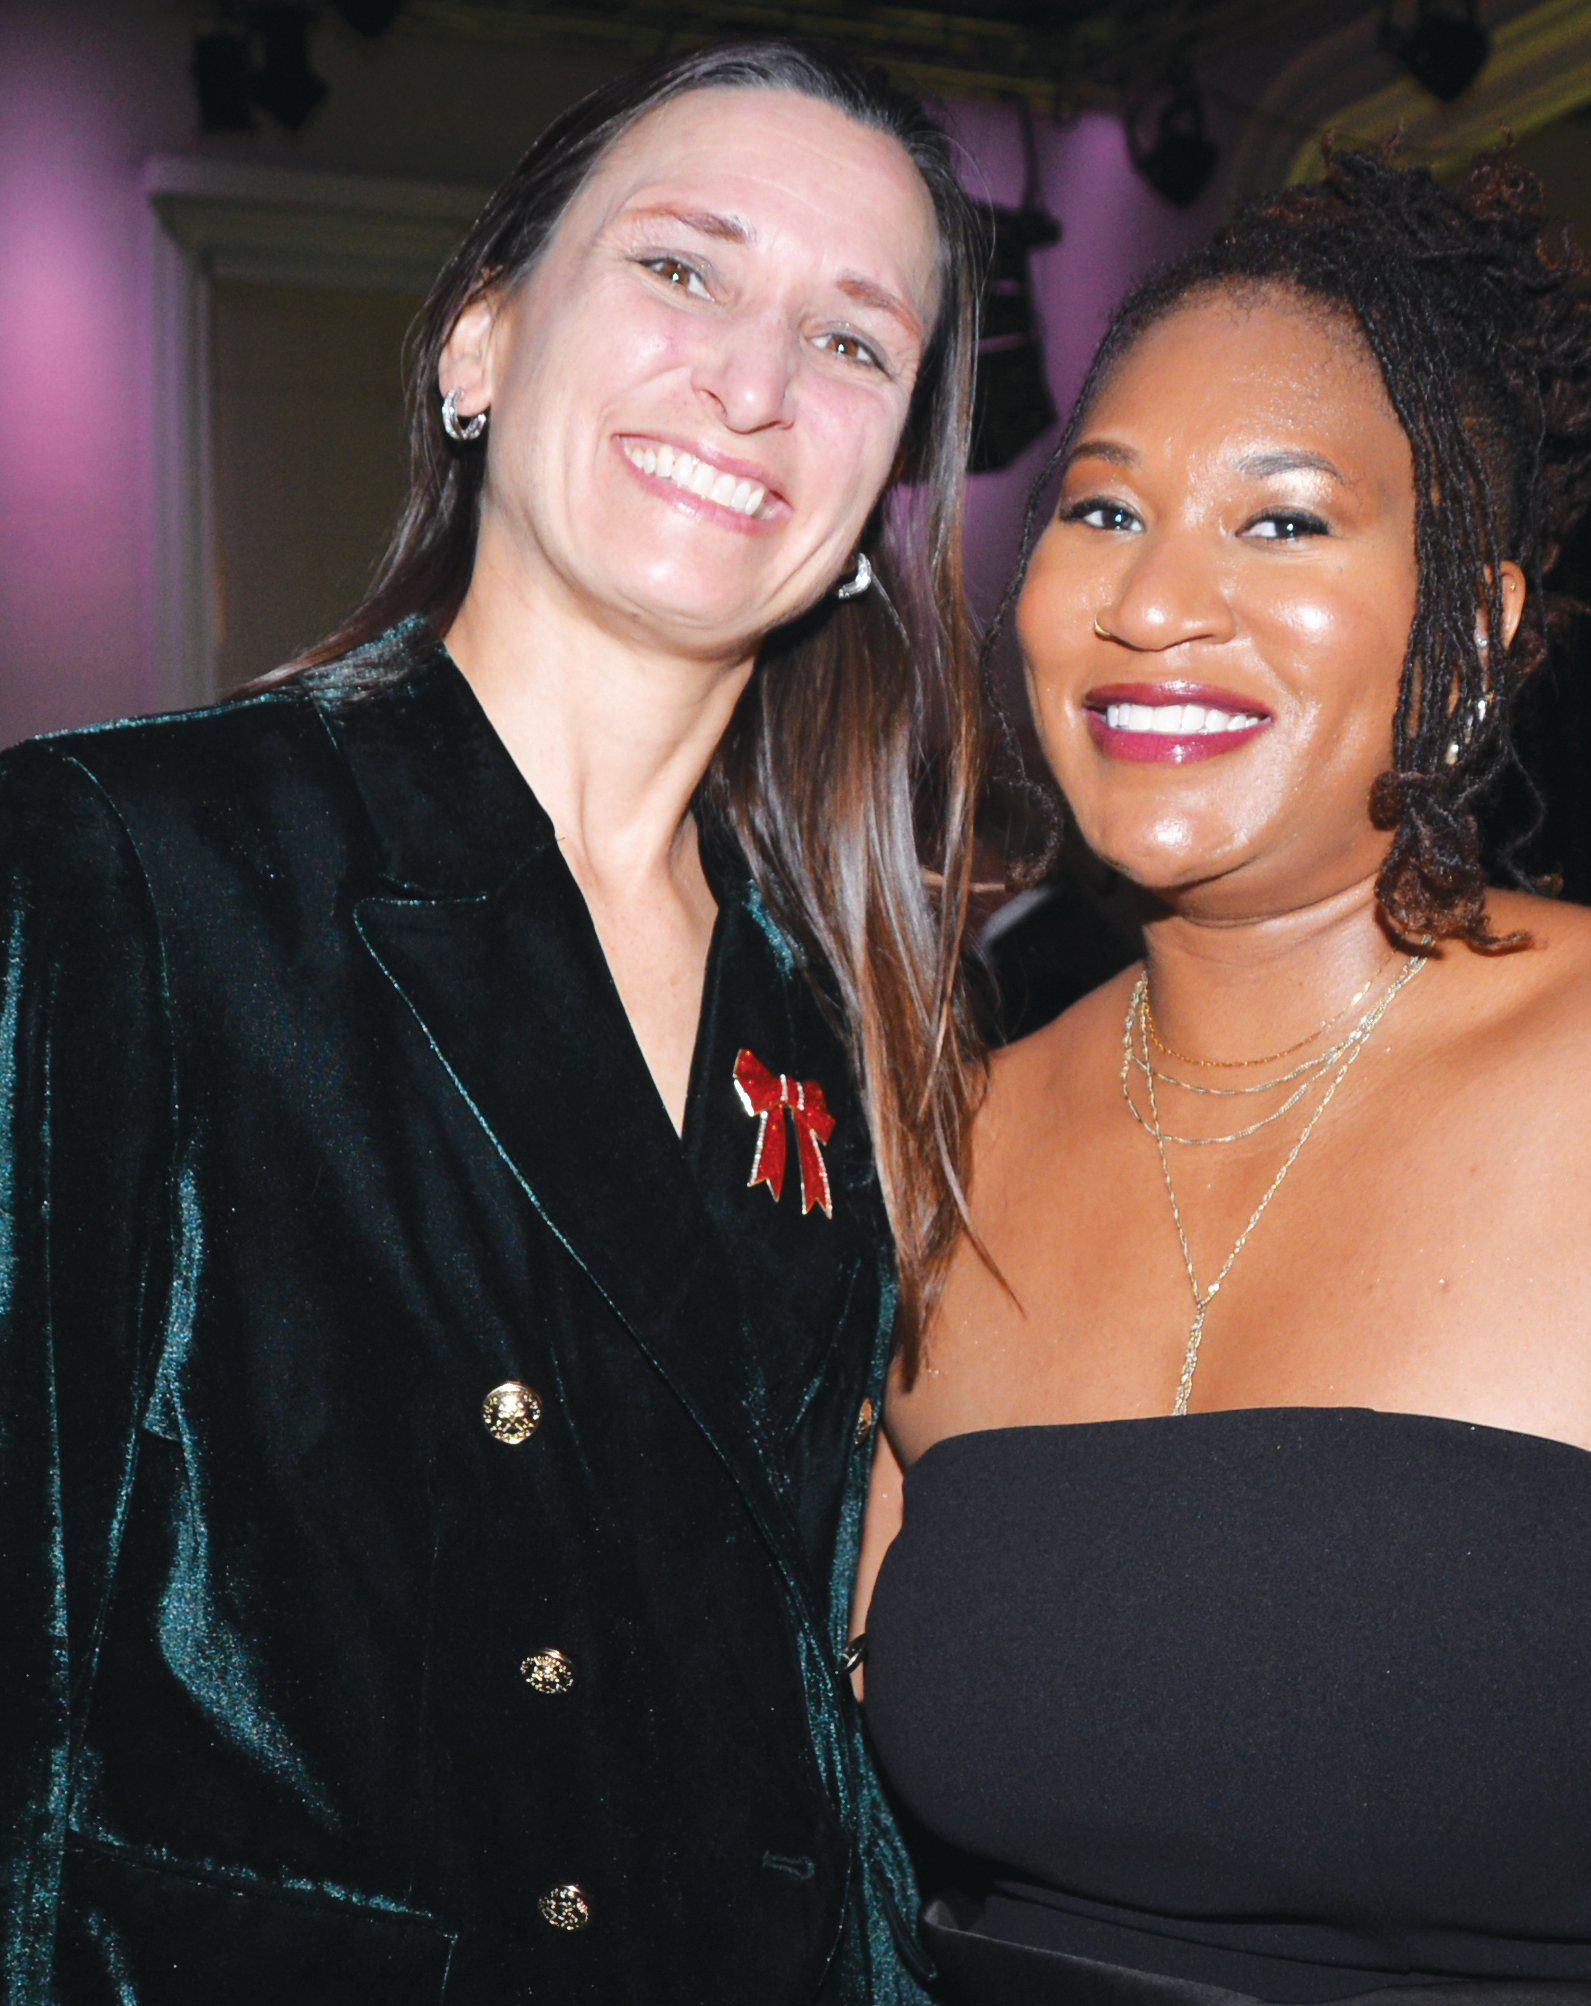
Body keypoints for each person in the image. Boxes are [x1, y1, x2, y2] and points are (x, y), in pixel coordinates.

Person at [854, 148, 1591, 2006]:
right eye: (1103, 511)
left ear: (1470, 631)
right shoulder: (944, 1150)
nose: (1156, 600)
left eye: (1282, 523)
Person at [0, 41, 985, 2003]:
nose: (756, 382)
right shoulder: (119, 859)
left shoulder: (845, 1014)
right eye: (682, 268)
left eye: (852, 341)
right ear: (480, 340)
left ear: (884, 488)